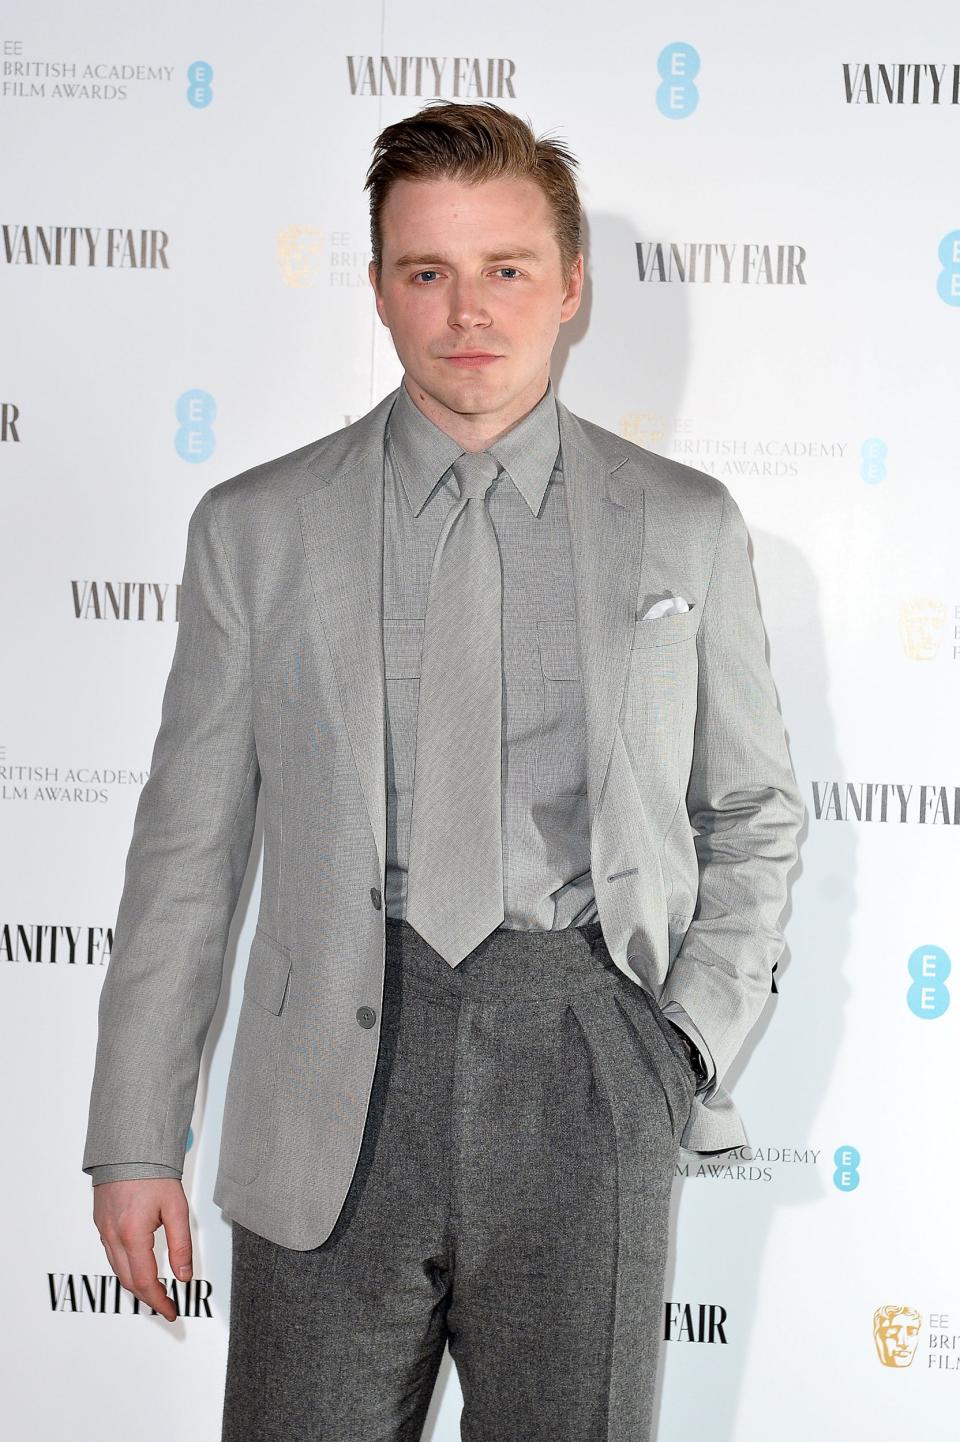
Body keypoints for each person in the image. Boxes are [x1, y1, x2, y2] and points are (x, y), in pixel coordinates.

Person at [83, 99, 804, 1441]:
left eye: (507, 269)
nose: (467, 311)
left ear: (572, 283)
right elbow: (186, 853)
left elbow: (754, 810)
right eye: (427, 271)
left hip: (588, 1059)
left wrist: (681, 1038)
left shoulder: (687, 526)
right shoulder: (256, 531)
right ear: (377, 289)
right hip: (332, 1086)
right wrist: (134, 1136)